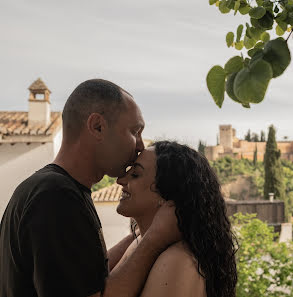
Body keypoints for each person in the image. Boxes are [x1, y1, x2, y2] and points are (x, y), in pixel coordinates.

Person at [0, 79, 181, 297]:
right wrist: (153, 241)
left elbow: (87, 278)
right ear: (97, 127)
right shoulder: (55, 197)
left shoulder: (55, 189)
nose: (141, 145)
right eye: (135, 131)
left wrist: (140, 236)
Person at [114, 141, 237, 297]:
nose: (121, 180)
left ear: (167, 194)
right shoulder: (139, 243)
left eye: (135, 175)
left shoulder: (175, 261)